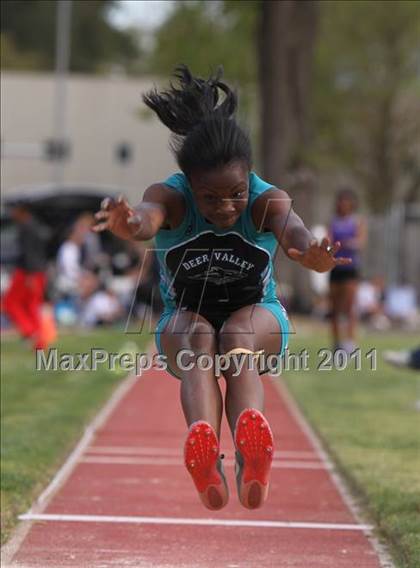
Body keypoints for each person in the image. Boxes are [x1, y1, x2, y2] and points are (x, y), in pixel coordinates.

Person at [93, 66, 350, 511]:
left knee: (235, 333)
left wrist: (311, 253)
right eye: (210, 198)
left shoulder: (268, 199)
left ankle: (252, 460)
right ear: (190, 186)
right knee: (199, 337)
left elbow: (295, 233)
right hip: (184, 320)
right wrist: (129, 223)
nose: (226, 207)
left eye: (235, 193)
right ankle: (206, 456)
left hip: (259, 317)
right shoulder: (170, 196)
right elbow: (146, 217)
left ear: (249, 175)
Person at [3, 203, 50, 350]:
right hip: (37, 272)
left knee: (10, 302)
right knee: (31, 305)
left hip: (27, 273)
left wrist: (30, 275)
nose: (12, 214)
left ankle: (31, 332)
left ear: (22, 210)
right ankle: (39, 340)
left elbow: (29, 253)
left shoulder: (26, 227)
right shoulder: (35, 226)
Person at [328, 188, 366, 353]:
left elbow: (361, 241)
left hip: (350, 268)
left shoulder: (356, 221)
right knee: (335, 309)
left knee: (350, 308)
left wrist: (349, 242)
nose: (343, 204)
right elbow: (329, 241)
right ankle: (337, 343)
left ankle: (350, 342)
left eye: (346, 201)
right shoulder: (333, 221)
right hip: (336, 268)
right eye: (340, 201)